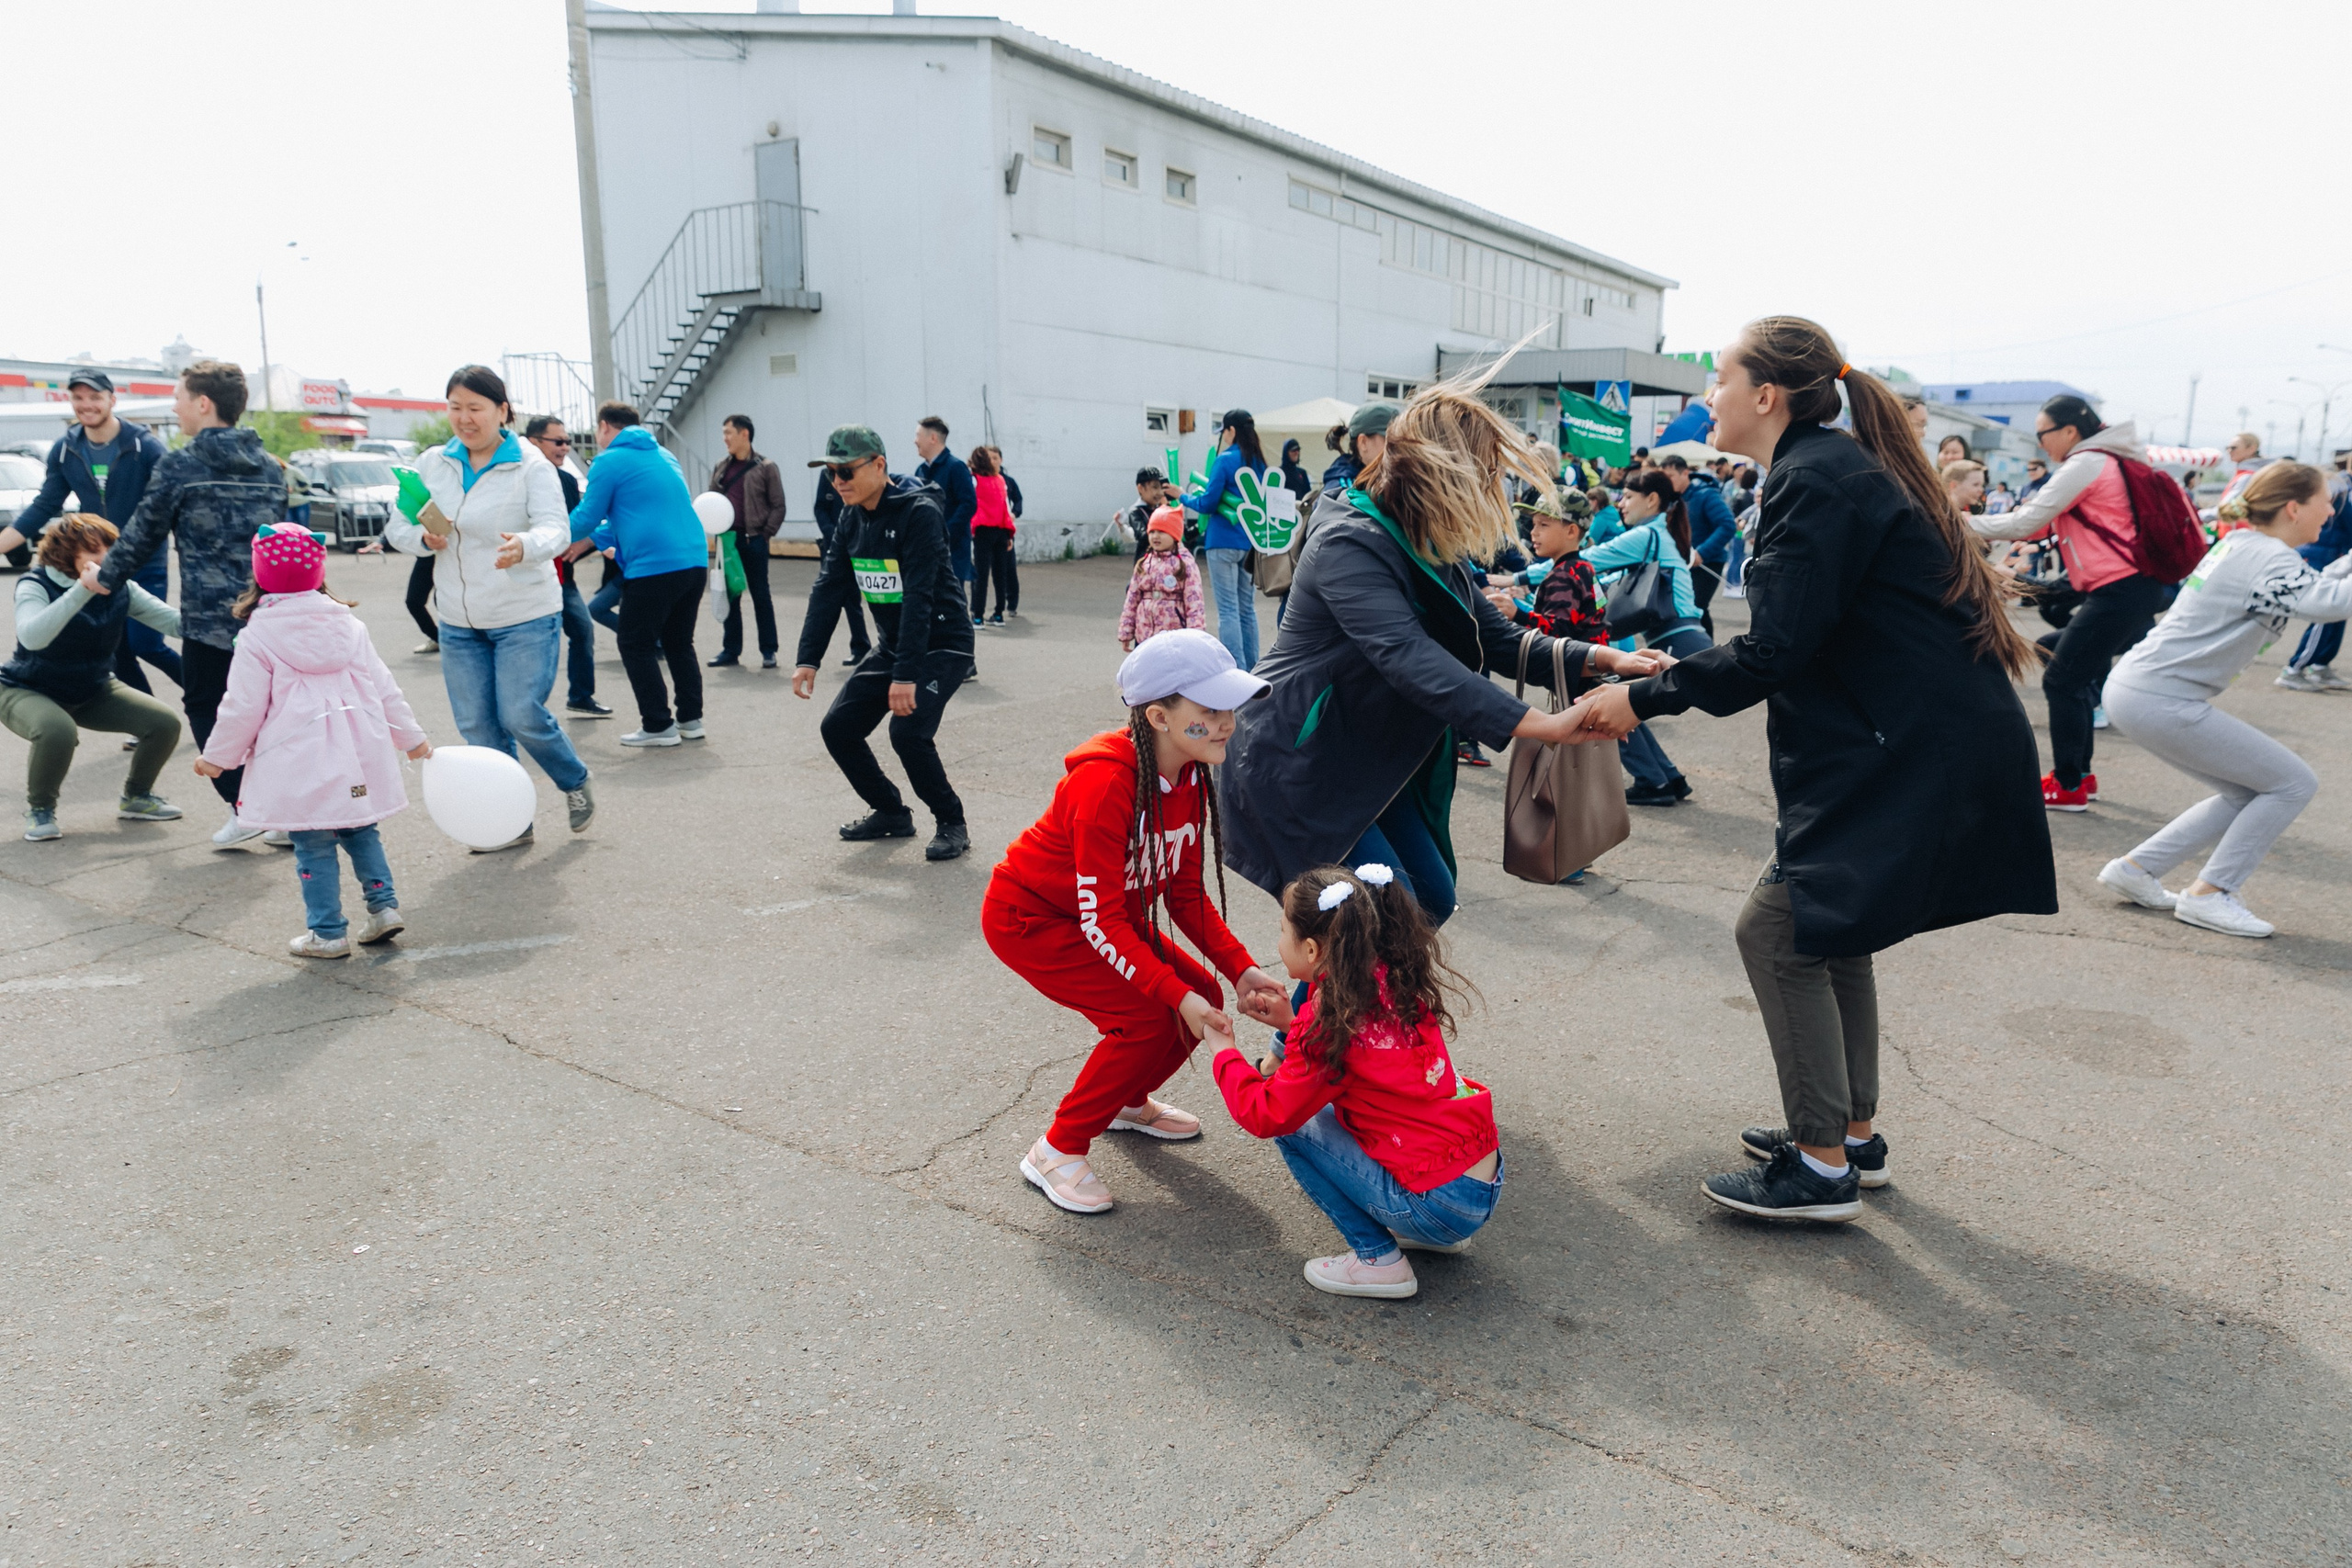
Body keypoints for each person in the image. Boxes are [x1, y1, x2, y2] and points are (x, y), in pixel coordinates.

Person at [1566, 315, 2055, 1220]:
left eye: (1718, 378)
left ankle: (1822, 1164)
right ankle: (1847, 1136)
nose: (1705, 396)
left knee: (1776, 932)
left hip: (1897, 749)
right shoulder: (1827, 468)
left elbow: (1774, 651)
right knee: (1828, 926)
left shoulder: (1815, 482)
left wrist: (1643, 698)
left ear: (1765, 396)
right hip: (1905, 741)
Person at [1219, 378, 1664, 928]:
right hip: (1300, 764)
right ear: (1440, 472)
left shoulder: (1423, 540)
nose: (1493, 487)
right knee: (1375, 929)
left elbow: (1494, 638)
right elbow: (1408, 657)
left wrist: (1605, 659)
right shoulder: (1348, 541)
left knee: (1426, 899)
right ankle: (1317, 1017)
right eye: (1486, 473)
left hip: (1365, 761)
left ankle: (1327, 1013)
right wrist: (1548, 726)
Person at [985, 629, 1286, 1213]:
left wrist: (1241, 970)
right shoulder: (1104, 784)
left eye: (1228, 708)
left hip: (1100, 916)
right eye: (1209, 710)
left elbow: (1183, 892)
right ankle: (1057, 1149)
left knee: (1198, 991)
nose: (1226, 721)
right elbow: (1101, 921)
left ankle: (1124, 1100)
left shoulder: (1189, 773)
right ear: (1158, 716)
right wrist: (1174, 996)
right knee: (1148, 1018)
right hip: (1033, 920)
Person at [1210, 862, 1500, 1299]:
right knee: (1327, 1107)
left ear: (1311, 951)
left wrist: (1222, 1049)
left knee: (1297, 1129)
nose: (1277, 942)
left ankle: (1378, 1259)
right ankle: (1428, 1231)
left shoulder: (1329, 1022)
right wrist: (1293, 1022)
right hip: (1479, 1180)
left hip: (1442, 1201)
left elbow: (1266, 1114)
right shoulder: (1389, 979)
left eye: (1282, 932)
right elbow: (1365, 1060)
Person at [2098, 464, 2352, 938]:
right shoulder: (2267, 559)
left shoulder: (2248, 546)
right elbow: (2327, 602)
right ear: (2294, 507)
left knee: (2246, 790)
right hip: (2162, 697)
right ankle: (2211, 893)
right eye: (2325, 501)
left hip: (2142, 689)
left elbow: (2319, 585)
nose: (2331, 512)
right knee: (2292, 783)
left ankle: (2137, 869)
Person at [194, 527, 432, 958]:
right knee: (361, 828)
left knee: (312, 842)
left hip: (299, 758)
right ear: (319, 569)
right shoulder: (349, 625)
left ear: (260, 573)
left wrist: (217, 758)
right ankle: (383, 907)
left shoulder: (257, 635)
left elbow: (242, 707)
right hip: (357, 753)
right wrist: (411, 738)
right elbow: (383, 687)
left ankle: (327, 933)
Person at [386, 367, 594, 848]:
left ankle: (574, 779)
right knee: (478, 725)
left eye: (475, 408)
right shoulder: (432, 463)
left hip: (524, 612)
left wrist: (524, 545)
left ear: (502, 411)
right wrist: (421, 537)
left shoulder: (530, 464)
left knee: (520, 714)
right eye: (455, 407)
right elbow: (396, 526)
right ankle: (510, 819)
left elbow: (555, 530)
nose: (464, 418)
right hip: (459, 619)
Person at [93, 359, 288, 848]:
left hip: (211, 622)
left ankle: (246, 809)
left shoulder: (181, 465)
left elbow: (142, 534)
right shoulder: (270, 466)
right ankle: (285, 814)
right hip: (271, 616)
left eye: (179, 397)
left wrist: (105, 579)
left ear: (204, 404)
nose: (175, 407)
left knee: (208, 710)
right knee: (270, 715)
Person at [1969, 394, 2165, 811]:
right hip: (2129, 589)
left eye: (2042, 434)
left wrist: (1953, 519)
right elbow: (2041, 529)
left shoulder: (2087, 462)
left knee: (2062, 679)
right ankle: (2081, 776)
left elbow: (2026, 521)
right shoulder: (2110, 460)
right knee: (2060, 657)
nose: (2040, 443)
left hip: (2120, 591)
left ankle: (2069, 784)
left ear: (2070, 432)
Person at [790, 424, 976, 863]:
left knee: (907, 732)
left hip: (944, 642)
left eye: (846, 471)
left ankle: (952, 821)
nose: (838, 481)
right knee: (838, 728)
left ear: (879, 465)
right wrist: (808, 658)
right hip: (896, 644)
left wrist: (906, 674)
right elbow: (829, 587)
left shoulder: (919, 513)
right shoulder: (850, 518)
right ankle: (891, 812)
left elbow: (919, 597)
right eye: (831, 473)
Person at [3, 513, 186, 840]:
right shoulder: (35, 583)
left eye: (110, 550)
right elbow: (32, 637)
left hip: (93, 688)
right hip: (27, 688)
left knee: (164, 723)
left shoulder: (121, 585)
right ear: (64, 554)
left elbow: (173, 622)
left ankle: (137, 798)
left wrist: (231, 624)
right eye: (93, 552)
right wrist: (81, 591)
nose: (106, 560)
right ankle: (40, 810)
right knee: (57, 731)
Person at [3, 369, 181, 696]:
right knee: (117, 649)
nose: (86, 405)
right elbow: (44, 506)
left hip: (144, 560)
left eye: (95, 397)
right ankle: (146, 719)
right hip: (96, 563)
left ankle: (210, 696)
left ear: (112, 400)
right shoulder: (65, 449)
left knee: (147, 643)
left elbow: (171, 505)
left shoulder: (145, 447)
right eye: (78, 397)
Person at [567, 400, 709, 750]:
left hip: (654, 567)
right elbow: (633, 513)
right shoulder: (664, 455)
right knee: (679, 642)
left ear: (604, 427)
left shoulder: (609, 460)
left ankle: (658, 725)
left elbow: (587, 515)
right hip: (694, 559)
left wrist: (546, 538)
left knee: (634, 642)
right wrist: (592, 541)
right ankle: (690, 720)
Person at [1583, 469, 1709, 806]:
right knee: (1629, 704)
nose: (1621, 504)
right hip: (1683, 638)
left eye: (1627, 496)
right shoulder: (1662, 533)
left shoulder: (1647, 535)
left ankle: (1654, 782)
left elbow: (1583, 561)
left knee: (1610, 702)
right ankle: (1667, 778)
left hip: (1676, 642)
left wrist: (1516, 578)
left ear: (1651, 499)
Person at [525, 416, 611, 717]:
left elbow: (574, 529)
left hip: (563, 578)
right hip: (528, 579)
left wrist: (592, 545)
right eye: (558, 442)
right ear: (535, 442)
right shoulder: (516, 478)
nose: (565, 448)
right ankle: (526, 709)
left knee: (583, 631)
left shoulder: (566, 481)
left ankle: (581, 696)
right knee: (537, 646)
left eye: (567, 441)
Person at [1183, 408, 1273, 671]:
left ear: (1231, 430)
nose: (1223, 436)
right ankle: (1253, 668)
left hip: (1221, 540)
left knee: (1228, 610)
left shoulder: (1224, 460)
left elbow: (1209, 502)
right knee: (1247, 608)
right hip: (1249, 543)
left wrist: (1183, 496)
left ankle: (1235, 669)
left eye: (1224, 430)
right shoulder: (1259, 463)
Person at [707, 413, 786, 669]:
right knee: (730, 596)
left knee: (761, 595)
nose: (725, 439)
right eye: (723, 433)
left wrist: (765, 535)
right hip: (726, 540)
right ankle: (730, 651)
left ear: (745, 434)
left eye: (728, 433)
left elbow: (778, 505)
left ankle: (768, 650)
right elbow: (712, 500)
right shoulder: (721, 466)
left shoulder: (766, 467)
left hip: (754, 540)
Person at [1483, 491, 1605, 641]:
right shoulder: (1584, 568)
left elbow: (1557, 636)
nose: (1533, 532)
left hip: (1573, 663)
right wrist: (1527, 597)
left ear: (1571, 531)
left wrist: (1517, 614)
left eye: (1543, 524)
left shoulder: (1563, 575)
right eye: (1534, 524)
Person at [2276, 479, 2352, 690]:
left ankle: (2320, 665)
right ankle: (2294, 669)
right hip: (2323, 557)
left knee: (2336, 616)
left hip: (2336, 556)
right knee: (2324, 615)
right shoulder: (2340, 490)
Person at [1658, 453, 1737, 636]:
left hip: (1708, 561)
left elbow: (1727, 524)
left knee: (1697, 607)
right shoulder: (1674, 498)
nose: (1667, 482)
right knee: (1688, 607)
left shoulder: (1706, 493)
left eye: (1671, 477)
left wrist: (1702, 552)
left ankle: (1705, 649)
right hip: (1684, 562)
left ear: (1685, 473)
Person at [1117, 505, 1205, 650]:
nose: (1155, 536)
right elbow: (1132, 600)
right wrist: (1126, 632)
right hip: (1144, 635)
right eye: (1152, 532)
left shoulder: (1185, 564)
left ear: (1175, 534)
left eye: (1162, 532)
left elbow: (1194, 603)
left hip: (1174, 638)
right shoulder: (1144, 563)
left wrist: (1195, 638)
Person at [811, 468, 872, 665]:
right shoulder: (826, 474)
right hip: (834, 545)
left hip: (858, 544)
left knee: (864, 597)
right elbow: (820, 508)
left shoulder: (862, 470)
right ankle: (860, 646)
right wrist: (832, 532)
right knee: (838, 598)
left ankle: (871, 648)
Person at [912, 415, 976, 592]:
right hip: (926, 552)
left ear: (933, 438)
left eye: (918, 435)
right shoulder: (920, 470)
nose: (914, 441)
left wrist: (945, 533)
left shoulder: (956, 467)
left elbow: (968, 504)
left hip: (952, 553)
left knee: (952, 604)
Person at [967, 446, 1018, 626]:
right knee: (1000, 575)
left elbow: (970, 503)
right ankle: (998, 614)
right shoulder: (1000, 480)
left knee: (980, 575)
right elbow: (1006, 508)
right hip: (1002, 531)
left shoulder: (974, 480)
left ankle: (978, 615)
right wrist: (1010, 535)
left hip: (983, 531)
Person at [1320, 401, 1397, 501]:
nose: (1398, 446)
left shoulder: (1392, 479)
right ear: (1363, 442)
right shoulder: (1342, 490)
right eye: (1390, 439)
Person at [987, 445, 1024, 617]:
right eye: (989, 458)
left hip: (1005, 529)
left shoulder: (1008, 481)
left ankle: (1011, 603)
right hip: (986, 531)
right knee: (984, 570)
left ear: (1001, 460)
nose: (992, 461)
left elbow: (1018, 501)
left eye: (995, 458)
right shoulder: (980, 480)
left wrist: (1014, 514)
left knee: (1008, 568)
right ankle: (980, 608)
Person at [1123, 466, 1173, 557]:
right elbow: (1142, 536)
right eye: (1155, 487)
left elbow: (1183, 534)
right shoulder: (1136, 512)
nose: (1160, 492)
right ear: (1141, 488)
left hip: (1166, 564)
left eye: (1161, 488)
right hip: (1145, 565)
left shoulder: (1162, 508)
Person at [1279, 437, 1313, 502]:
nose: (1296, 453)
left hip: (1300, 509)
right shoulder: (1279, 473)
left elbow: (1308, 494)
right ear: (1286, 453)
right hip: (1284, 508)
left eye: (1298, 450)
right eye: (1293, 450)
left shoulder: (1302, 473)